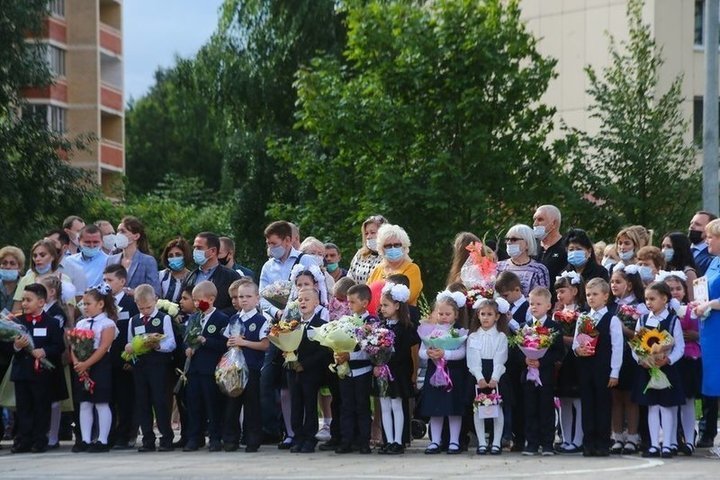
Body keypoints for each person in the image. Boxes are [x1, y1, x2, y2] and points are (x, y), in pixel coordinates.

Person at [258, 221, 317, 445]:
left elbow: (315, 288)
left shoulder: (305, 260)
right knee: (272, 380)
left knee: (300, 384)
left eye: (274, 243)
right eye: (268, 243)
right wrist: (277, 311)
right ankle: (280, 430)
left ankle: (303, 432)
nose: (271, 247)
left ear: (288, 240)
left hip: (302, 327)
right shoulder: (268, 267)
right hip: (278, 327)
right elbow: (262, 296)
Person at [4, 284, 64, 454]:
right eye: (23, 299)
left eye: (28, 300)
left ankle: (39, 440)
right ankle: (23, 439)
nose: (24, 303)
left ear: (41, 302)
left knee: (41, 407)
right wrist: (16, 346)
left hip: (41, 374)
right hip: (22, 372)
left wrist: (44, 351)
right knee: (23, 408)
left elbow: (58, 346)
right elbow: (7, 348)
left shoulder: (52, 323)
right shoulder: (17, 322)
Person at [633, 282, 685, 458]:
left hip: (666, 369)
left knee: (666, 406)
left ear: (664, 299)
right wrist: (642, 360)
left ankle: (668, 444)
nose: (648, 302)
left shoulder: (672, 320)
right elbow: (636, 346)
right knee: (652, 407)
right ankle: (654, 444)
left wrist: (668, 360)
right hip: (647, 370)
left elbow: (680, 347)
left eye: (652, 299)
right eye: (646, 299)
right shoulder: (642, 320)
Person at [573, 278, 623, 457]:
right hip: (586, 367)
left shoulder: (612, 319)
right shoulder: (583, 317)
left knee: (603, 404)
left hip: (603, 368)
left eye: (595, 294)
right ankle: (588, 442)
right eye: (588, 295)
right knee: (587, 404)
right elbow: (576, 342)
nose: (591, 298)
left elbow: (617, 347)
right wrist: (578, 350)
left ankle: (603, 443)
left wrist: (614, 372)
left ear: (605, 296)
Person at [124, 284, 176, 452]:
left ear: (155, 301)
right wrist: (129, 349)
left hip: (158, 366)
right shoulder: (134, 320)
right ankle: (148, 439)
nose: (145, 311)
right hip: (140, 367)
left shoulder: (163, 318)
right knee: (142, 401)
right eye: (142, 308)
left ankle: (166, 437)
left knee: (160, 401)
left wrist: (158, 345)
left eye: (148, 307)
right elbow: (130, 341)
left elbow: (171, 343)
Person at [223, 278, 270, 452]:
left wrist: (244, 342)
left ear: (257, 298)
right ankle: (231, 439)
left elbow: (265, 345)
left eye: (248, 296)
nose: (244, 300)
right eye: (240, 296)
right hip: (234, 369)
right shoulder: (234, 319)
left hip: (252, 368)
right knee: (232, 404)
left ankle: (252, 440)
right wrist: (231, 343)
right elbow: (227, 340)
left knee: (252, 406)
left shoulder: (261, 320)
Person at [71, 284, 119, 453]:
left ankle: (102, 439)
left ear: (100, 304)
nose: (85, 307)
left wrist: (87, 364)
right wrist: (78, 363)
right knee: (85, 403)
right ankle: (85, 439)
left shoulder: (107, 324)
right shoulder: (81, 323)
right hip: (82, 366)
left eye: (88, 304)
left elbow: (103, 347)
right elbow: (73, 346)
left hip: (100, 365)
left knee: (101, 402)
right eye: (83, 304)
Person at [183, 281, 229, 452]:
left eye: (199, 300)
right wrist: (187, 348)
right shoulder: (194, 318)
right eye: (194, 300)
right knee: (194, 404)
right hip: (194, 369)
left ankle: (215, 437)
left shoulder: (221, 319)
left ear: (211, 299)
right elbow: (186, 338)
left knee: (212, 404)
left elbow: (224, 344)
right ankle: (195, 437)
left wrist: (205, 341)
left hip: (211, 369)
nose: (196, 304)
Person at [420, 291, 468, 456]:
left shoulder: (459, 332)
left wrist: (445, 354)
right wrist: (429, 353)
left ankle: (454, 441)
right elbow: (421, 351)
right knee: (436, 408)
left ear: (456, 315)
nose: (444, 317)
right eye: (440, 314)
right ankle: (435, 441)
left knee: (454, 409)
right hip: (434, 373)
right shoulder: (430, 331)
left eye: (448, 314)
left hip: (453, 374)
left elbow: (462, 352)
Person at [659, 271, 700, 455]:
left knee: (687, 401)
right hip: (666, 361)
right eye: (670, 289)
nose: (674, 292)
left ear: (684, 291)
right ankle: (672, 440)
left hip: (688, 360)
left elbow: (702, 332)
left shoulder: (691, 309)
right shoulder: (659, 312)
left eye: (678, 288)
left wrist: (695, 335)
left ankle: (689, 440)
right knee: (670, 402)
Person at [333, 284, 377, 454]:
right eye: (348, 302)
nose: (349, 305)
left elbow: (370, 350)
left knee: (362, 406)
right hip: (346, 371)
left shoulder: (371, 322)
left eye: (352, 302)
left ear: (364, 303)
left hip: (363, 371)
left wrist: (350, 356)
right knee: (346, 406)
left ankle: (363, 441)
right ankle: (346, 440)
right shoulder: (346, 321)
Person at [288, 286, 332, 453]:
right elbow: (285, 344)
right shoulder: (291, 324)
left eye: (307, 300)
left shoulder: (321, 325)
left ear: (316, 303)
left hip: (311, 373)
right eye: (300, 300)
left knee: (310, 404)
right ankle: (297, 436)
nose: (303, 302)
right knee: (296, 405)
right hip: (293, 371)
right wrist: (288, 356)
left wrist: (304, 364)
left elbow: (323, 351)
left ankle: (309, 438)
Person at [377, 283, 419, 455]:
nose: (382, 308)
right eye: (381, 305)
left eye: (386, 305)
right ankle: (388, 440)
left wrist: (388, 359)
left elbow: (404, 352)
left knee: (396, 404)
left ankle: (398, 441)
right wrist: (378, 363)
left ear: (397, 306)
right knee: (384, 405)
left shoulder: (405, 327)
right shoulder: (380, 326)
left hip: (398, 372)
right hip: (383, 371)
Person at [608, 263, 646, 454]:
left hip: (631, 357)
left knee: (630, 398)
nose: (613, 285)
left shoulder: (639, 307)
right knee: (615, 398)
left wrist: (624, 330)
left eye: (618, 282)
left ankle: (632, 436)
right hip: (614, 357)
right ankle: (617, 436)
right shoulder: (611, 306)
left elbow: (643, 336)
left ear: (629, 285)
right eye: (612, 282)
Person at [521, 287, 563, 456]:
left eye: (538, 304)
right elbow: (516, 350)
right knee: (529, 409)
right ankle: (531, 443)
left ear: (548, 306)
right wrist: (525, 359)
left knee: (546, 409)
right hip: (528, 376)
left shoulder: (554, 327)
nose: (534, 307)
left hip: (545, 376)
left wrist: (541, 361)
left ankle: (547, 444)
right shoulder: (525, 327)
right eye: (531, 303)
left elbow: (558, 352)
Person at [467, 297, 510, 455]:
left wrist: (495, 377)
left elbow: (501, 357)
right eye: (482, 314)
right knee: (478, 408)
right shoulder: (473, 336)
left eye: (489, 314)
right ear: (478, 315)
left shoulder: (501, 337)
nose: (485, 317)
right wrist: (479, 377)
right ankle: (482, 443)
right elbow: (472, 358)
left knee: (497, 407)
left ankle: (496, 442)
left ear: (497, 316)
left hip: (495, 374)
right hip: (478, 374)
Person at [103, 264, 139, 450]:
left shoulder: (131, 304)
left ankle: (125, 435)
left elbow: (136, 333)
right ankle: (108, 435)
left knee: (125, 400)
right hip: (105, 359)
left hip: (124, 360)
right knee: (108, 399)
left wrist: (131, 359)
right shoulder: (102, 303)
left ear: (122, 281)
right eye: (104, 280)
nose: (106, 284)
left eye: (110, 280)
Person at [495, 270, 529, 450]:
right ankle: (509, 435)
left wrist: (511, 322)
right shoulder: (501, 308)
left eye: (506, 295)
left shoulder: (528, 307)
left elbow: (529, 332)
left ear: (517, 290)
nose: (504, 299)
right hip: (505, 361)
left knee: (522, 400)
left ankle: (522, 437)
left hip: (522, 361)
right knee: (508, 399)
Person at [694, 217, 720, 448]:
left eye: (711, 236)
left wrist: (710, 304)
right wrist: (699, 304)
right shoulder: (714, 262)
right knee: (710, 380)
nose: (707, 240)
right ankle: (707, 429)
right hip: (709, 330)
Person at [553, 272, 584, 454]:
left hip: (576, 360)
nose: (559, 295)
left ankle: (578, 439)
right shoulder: (557, 314)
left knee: (577, 400)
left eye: (562, 291)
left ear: (574, 290)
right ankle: (566, 439)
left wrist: (561, 338)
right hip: (561, 361)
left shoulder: (582, 313)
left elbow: (581, 340)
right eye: (557, 292)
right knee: (563, 400)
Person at [37, 276, 70, 450]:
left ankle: (53, 435)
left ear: (51, 292)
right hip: (37, 359)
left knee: (54, 399)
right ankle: (41, 433)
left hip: (53, 359)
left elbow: (54, 335)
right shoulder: (39, 311)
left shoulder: (57, 312)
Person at [367, 223, 423, 307]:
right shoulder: (377, 269)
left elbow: (408, 297)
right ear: (381, 249)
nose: (393, 248)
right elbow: (365, 294)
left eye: (397, 245)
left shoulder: (412, 268)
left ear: (404, 247)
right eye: (388, 246)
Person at [182, 232, 240, 313]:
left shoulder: (230, 276)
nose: (195, 251)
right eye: (194, 248)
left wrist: (215, 316)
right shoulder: (190, 276)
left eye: (199, 248)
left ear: (213, 251)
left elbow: (237, 305)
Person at [106, 216, 161, 296]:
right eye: (118, 231)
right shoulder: (111, 260)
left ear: (136, 236)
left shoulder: (148, 261)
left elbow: (155, 292)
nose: (118, 235)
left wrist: (131, 292)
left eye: (123, 231)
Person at [12, 240, 71, 313]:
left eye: (42, 255)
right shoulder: (26, 279)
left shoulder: (64, 279)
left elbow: (69, 311)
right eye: (35, 256)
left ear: (52, 257)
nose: (37, 259)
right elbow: (16, 310)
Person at [496, 224, 549, 297]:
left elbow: (541, 298)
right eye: (507, 239)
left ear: (527, 244)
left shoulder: (539, 270)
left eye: (514, 239)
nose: (509, 242)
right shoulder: (498, 267)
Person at [532, 205, 567, 288]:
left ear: (553, 223)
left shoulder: (566, 248)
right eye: (534, 220)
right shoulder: (531, 246)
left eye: (540, 219)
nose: (535, 224)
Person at [45, 230, 86, 298]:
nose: (47, 247)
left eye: (52, 243)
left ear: (65, 248)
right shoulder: (34, 270)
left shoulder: (76, 271)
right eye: (45, 243)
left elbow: (79, 300)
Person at [347, 215, 387, 284]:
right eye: (366, 233)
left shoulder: (390, 256)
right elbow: (350, 278)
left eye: (372, 233)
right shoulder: (360, 254)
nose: (368, 237)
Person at [660, 232, 698, 302]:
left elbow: (692, 301)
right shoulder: (666, 269)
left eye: (669, 247)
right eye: (663, 246)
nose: (664, 250)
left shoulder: (688, 272)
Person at [158, 238, 192, 303]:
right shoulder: (161, 276)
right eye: (170, 256)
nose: (174, 258)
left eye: (178, 255)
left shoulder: (192, 278)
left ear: (185, 255)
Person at [688, 211, 717, 276]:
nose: (692, 226)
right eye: (691, 223)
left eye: (698, 224)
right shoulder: (682, 250)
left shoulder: (714, 255)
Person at [0, 246, 24, 312]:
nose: (8, 267)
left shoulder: (25, 285)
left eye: (12, 263)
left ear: (19, 267)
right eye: (4, 263)